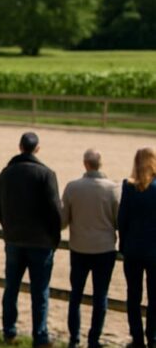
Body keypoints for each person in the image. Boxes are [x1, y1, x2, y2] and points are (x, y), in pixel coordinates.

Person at [0, 132, 61, 348]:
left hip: (13, 240)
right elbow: (55, 211)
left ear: (20, 147)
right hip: (40, 243)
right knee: (40, 292)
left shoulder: (6, 173)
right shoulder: (46, 174)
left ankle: (9, 332)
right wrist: (54, 238)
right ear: (37, 148)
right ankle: (40, 337)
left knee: (11, 288)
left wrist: (8, 227)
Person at [61, 149, 120, 348]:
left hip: (79, 248)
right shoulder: (113, 188)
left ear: (85, 164)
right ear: (100, 164)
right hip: (104, 249)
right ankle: (94, 339)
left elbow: (63, 221)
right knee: (100, 296)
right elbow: (118, 220)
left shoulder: (73, 187)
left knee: (75, 294)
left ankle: (74, 338)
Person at [118, 147, 156, 348]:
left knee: (133, 296)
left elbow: (122, 219)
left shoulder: (128, 186)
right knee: (154, 297)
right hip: (154, 251)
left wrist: (123, 244)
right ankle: (153, 337)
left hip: (133, 249)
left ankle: (137, 338)